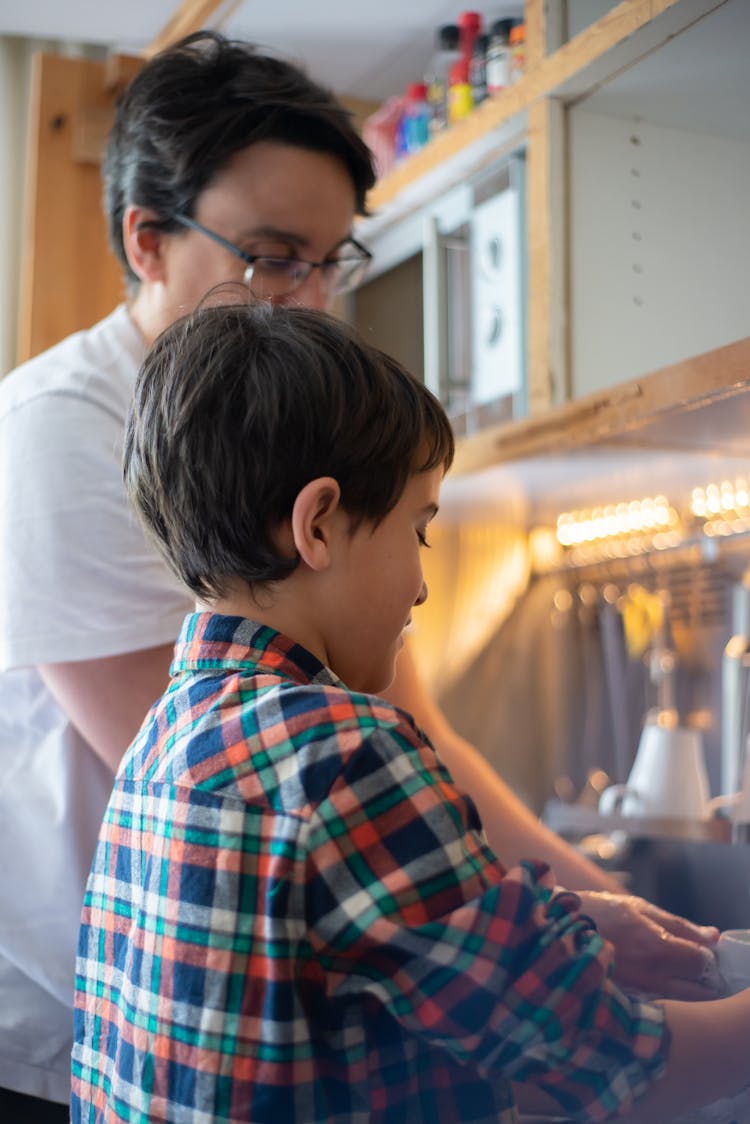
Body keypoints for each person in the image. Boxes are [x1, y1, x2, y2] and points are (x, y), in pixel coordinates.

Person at [0, 30, 717, 1119]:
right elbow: (321, 771)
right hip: (101, 1019)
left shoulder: (287, 589)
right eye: (274, 254)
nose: (310, 299)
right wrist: (537, 939)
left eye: (334, 260)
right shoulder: (62, 431)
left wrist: (574, 906)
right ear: (147, 239)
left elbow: (400, 726)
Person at [72, 301, 750, 1124]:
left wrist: (566, 925)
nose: (423, 583)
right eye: (419, 529)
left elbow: (349, 953)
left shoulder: (166, 741)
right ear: (318, 523)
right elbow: (615, 1064)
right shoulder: (347, 753)